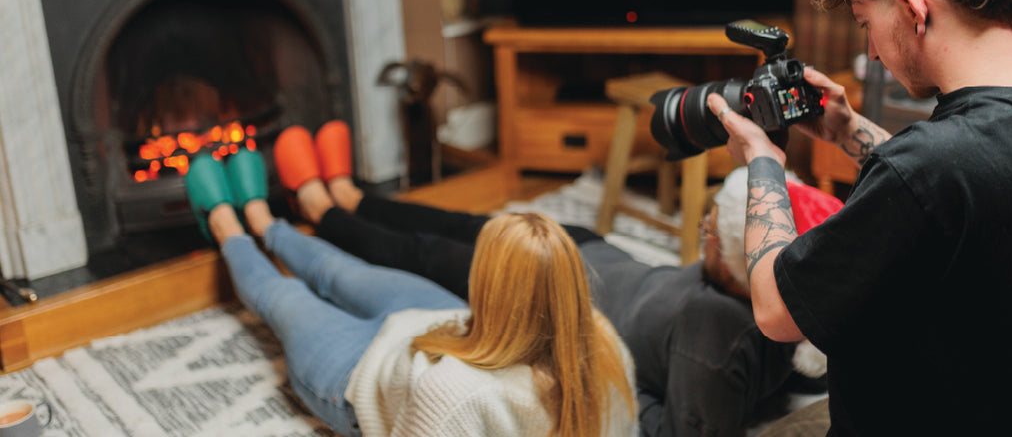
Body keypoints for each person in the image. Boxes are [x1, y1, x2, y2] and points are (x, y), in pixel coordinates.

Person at [705, 0, 1012, 435]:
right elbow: (975, 184)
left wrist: (763, 163)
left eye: (863, 22)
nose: (873, 53)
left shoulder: (928, 167)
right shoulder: (953, 159)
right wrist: (849, 131)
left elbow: (777, 310)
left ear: (910, 9)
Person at [272, 120, 845, 436]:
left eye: (712, 231)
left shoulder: (714, 340)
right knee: (459, 223)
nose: (702, 228)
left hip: (545, 278)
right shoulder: (753, 308)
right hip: (586, 248)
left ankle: (321, 209)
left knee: (424, 252)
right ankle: (353, 196)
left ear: (746, 269)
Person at [183, 148, 638, 437]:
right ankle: (266, 221)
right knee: (337, 269)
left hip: (356, 375)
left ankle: (226, 224)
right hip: (438, 322)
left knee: (282, 297)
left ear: (486, 284)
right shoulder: (606, 341)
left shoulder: (457, 395)